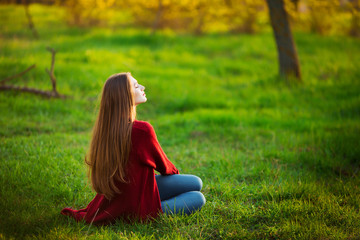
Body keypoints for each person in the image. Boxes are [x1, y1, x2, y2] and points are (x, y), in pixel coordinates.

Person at [61, 72, 205, 224]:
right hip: (138, 208)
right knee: (197, 197)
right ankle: (152, 211)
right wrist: (174, 177)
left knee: (196, 182)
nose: (142, 87)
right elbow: (164, 166)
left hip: (120, 197)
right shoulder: (141, 130)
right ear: (125, 96)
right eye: (136, 86)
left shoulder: (105, 130)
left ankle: (152, 198)